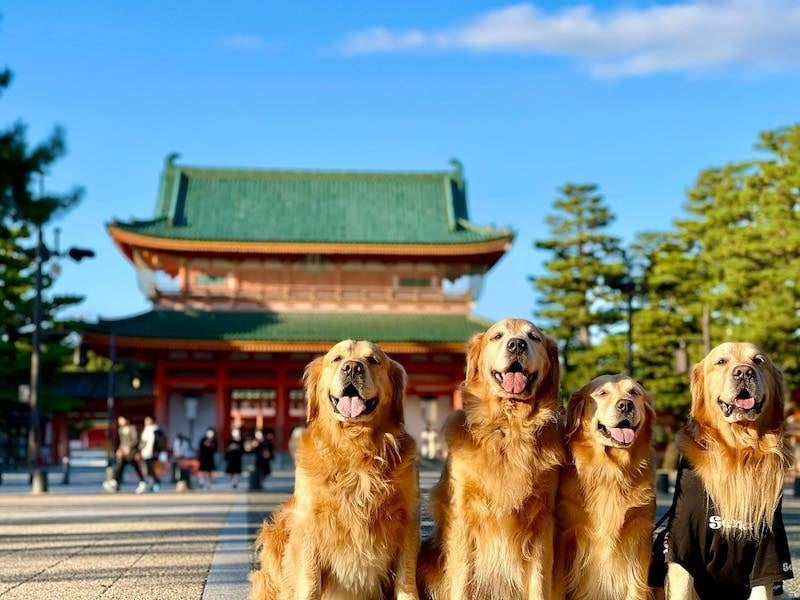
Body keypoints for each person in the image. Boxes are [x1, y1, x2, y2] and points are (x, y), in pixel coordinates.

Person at [103, 416, 148, 494]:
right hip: (124, 453)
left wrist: (130, 448)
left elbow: (135, 440)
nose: (120, 422)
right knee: (120, 467)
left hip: (132, 453)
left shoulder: (132, 428)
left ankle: (143, 482)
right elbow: (121, 442)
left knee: (136, 468)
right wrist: (120, 450)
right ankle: (115, 483)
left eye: (121, 420)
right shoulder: (120, 430)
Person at [139, 416, 163, 492]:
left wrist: (157, 451)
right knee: (147, 470)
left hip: (152, 453)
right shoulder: (145, 430)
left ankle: (156, 483)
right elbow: (142, 442)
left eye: (148, 420)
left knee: (151, 469)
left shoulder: (156, 430)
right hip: (145, 452)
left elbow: (159, 443)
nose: (146, 422)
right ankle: (153, 484)